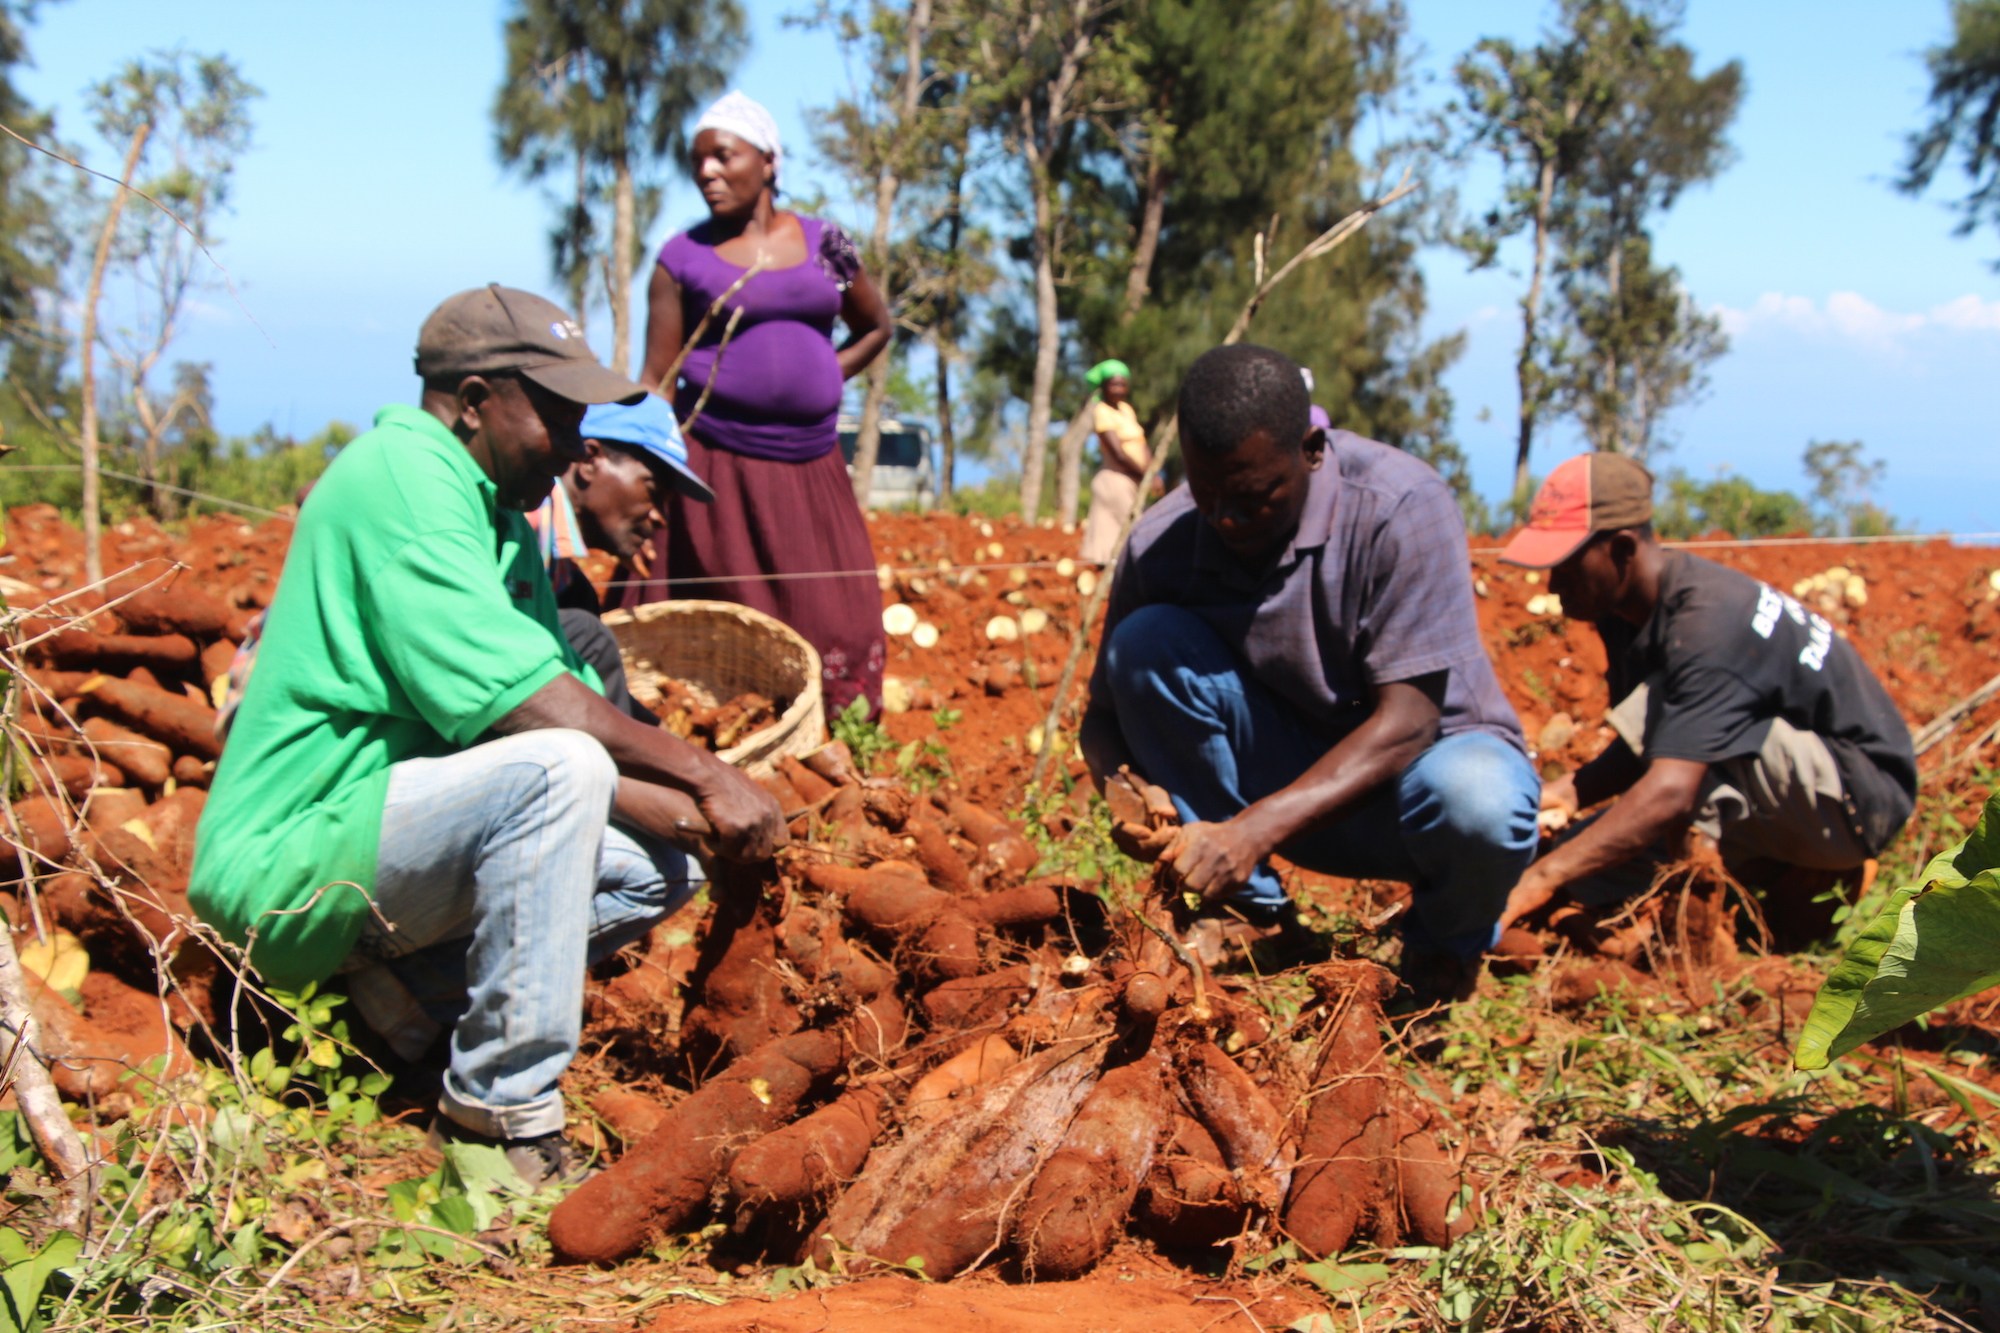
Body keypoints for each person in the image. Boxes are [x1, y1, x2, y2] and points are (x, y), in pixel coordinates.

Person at [189, 285, 786, 1188]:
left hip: (381, 843)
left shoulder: (501, 520)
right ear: (474, 402)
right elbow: (542, 718)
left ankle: (386, 1016)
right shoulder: (402, 480)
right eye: (556, 412)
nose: (578, 437)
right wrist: (709, 771)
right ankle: (498, 1122)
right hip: (289, 858)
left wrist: (704, 818)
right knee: (559, 768)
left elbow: (582, 725)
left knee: (666, 860)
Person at [1080, 344, 1541, 1006]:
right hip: (1286, 783)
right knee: (1144, 643)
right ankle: (1252, 916)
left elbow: (1410, 723)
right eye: (1206, 494)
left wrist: (1253, 829)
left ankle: (1442, 954)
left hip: (1417, 790)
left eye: (1253, 496)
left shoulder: (1400, 505)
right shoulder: (1164, 536)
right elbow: (1101, 717)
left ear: (1312, 448)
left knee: (1480, 796)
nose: (1225, 519)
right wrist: (1124, 789)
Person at [1495, 453, 1916, 942]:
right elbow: (1652, 740)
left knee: (1671, 794)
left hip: (1857, 800)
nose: (1552, 582)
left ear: (1622, 549)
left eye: (1566, 564)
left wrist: (1537, 881)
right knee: (1581, 857)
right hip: (1770, 777)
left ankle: (1693, 941)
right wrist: (1570, 791)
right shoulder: (1623, 613)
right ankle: (1771, 875)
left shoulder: (1707, 623)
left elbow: (1672, 786)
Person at [634, 89, 893, 720]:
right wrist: (644, 476)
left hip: (812, 470)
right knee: (727, 613)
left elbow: (876, 326)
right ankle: (734, 728)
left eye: (723, 156)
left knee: (835, 613)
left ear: (769, 161)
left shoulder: (826, 242)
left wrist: (825, 375)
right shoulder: (681, 259)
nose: (707, 172)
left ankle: (838, 722)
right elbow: (656, 379)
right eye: (697, 162)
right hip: (717, 469)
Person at [529, 395, 714, 719]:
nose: (659, 517)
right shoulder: (530, 522)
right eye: (652, 490)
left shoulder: (564, 570)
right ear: (589, 460)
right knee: (586, 634)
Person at [1080, 359, 1149, 565]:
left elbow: (1140, 442)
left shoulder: (1126, 410)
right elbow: (1118, 453)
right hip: (1115, 480)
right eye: (1113, 384)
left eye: (1122, 384)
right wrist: (1144, 475)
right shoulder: (1101, 411)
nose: (1118, 389)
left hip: (1132, 480)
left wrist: (1152, 471)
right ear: (1104, 387)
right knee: (1133, 531)